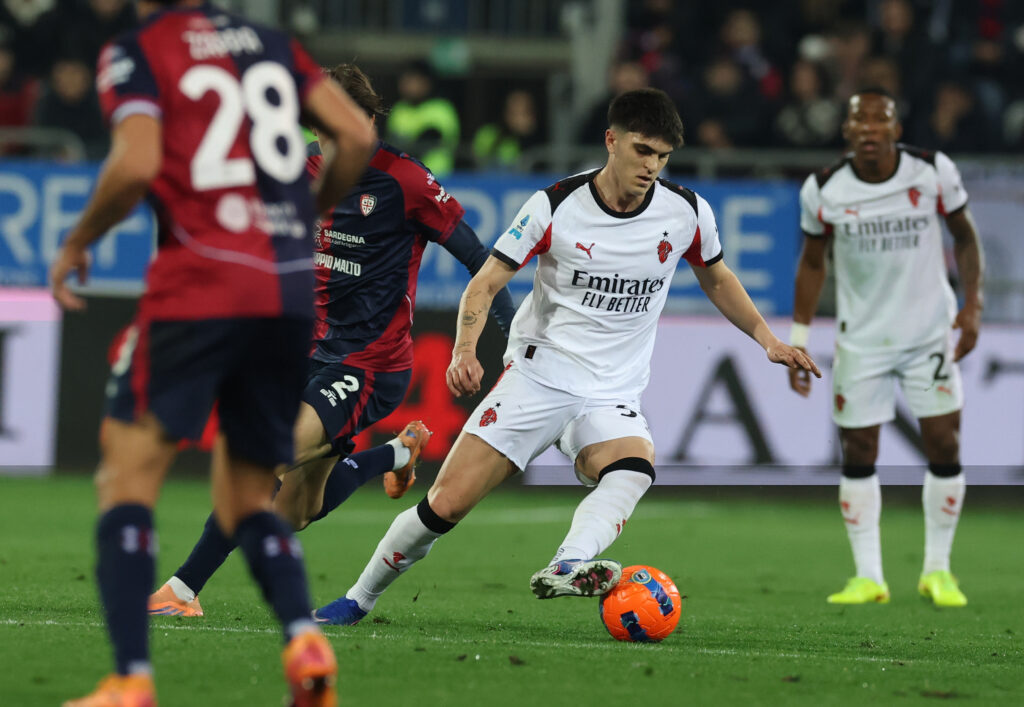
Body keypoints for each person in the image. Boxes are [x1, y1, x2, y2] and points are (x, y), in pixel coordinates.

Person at [313, 87, 820, 625]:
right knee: (447, 503)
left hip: (610, 390)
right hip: (538, 375)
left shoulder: (687, 212)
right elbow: (485, 284)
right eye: (643, 150)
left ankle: (569, 563)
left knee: (634, 467)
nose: (652, 166)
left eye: (663, 156)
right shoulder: (554, 205)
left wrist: (769, 339)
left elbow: (716, 277)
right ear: (611, 140)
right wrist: (465, 349)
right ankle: (358, 598)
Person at [49, 1, 376, 705]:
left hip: (198, 283)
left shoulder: (139, 51)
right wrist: (307, 217)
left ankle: (130, 679)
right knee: (246, 487)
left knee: (127, 476)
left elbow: (136, 161)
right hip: (286, 292)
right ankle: (302, 637)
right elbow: (354, 133)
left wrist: (79, 239)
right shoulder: (272, 43)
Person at [146, 63, 516, 619]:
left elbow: (481, 263)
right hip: (304, 355)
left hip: (370, 366)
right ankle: (396, 453)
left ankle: (182, 590)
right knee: (294, 511)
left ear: (369, 120)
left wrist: (506, 343)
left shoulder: (407, 182)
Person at [789, 88, 984, 608]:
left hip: (928, 335)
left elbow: (965, 237)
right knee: (859, 451)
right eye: (861, 122)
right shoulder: (824, 189)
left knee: (944, 444)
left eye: (881, 121)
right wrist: (800, 340)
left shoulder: (931, 171)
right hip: (863, 340)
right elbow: (812, 263)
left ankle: (938, 572)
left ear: (897, 129)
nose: (870, 130)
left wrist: (973, 306)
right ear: (848, 132)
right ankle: (868, 577)